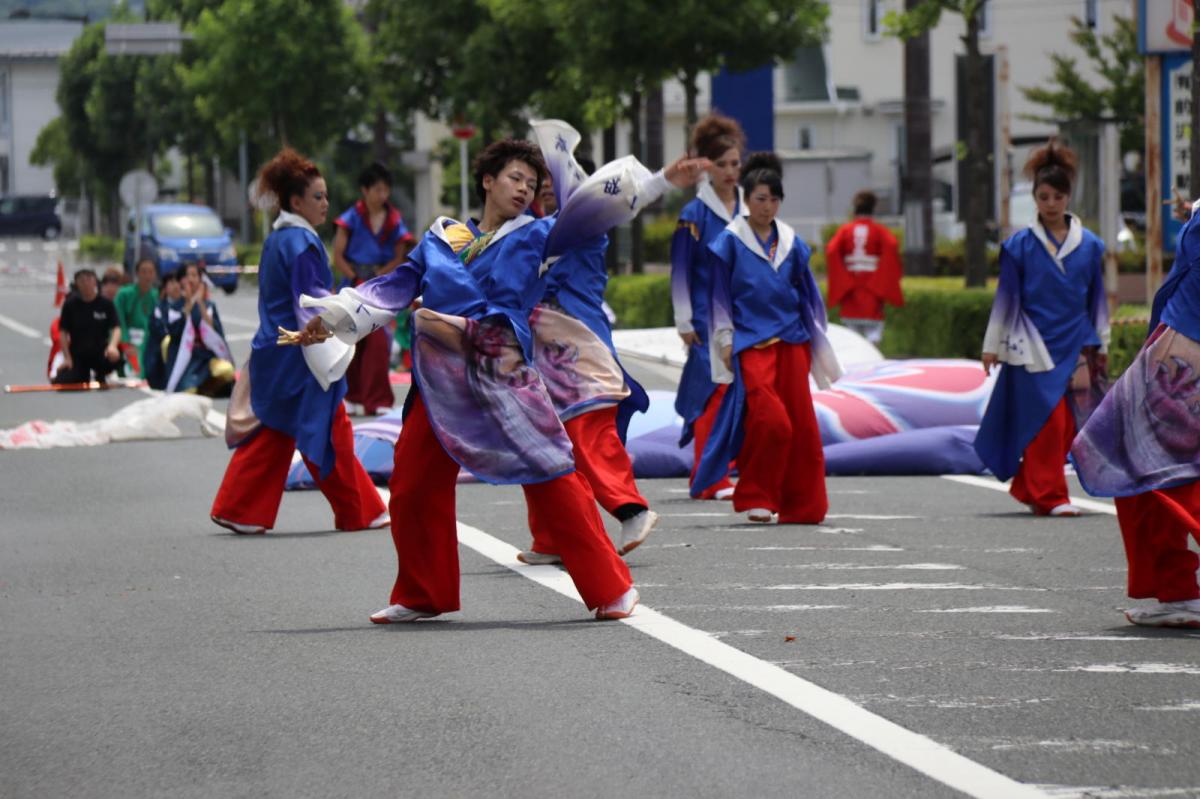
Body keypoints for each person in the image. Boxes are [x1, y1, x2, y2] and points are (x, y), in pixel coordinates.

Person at [296, 132, 708, 624]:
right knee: (412, 480)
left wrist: (661, 180)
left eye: (532, 184)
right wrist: (333, 319)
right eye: (515, 178)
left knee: (553, 474)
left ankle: (610, 588)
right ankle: (424, 592)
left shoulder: (539, 235)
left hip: (501, 367)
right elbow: (395, 287)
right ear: (487, 180)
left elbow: (597, 208)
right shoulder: (442, 236)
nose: (524, 190)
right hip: (444, 374)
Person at [514, 122, 688, 565]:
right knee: (539, 442)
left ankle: (632, 508)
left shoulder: (587, 223)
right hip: (540, 355)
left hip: (581, 347)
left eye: (554, 179)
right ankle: (553, 537)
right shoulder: (531, 230)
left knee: (589, 433)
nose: (546, 189)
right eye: (541, 182)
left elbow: (619, 200)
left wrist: (660, 180)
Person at [209, 148, 388, 536]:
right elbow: (312, 304)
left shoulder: (279, 240)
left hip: (276, 349)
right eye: (318, 197)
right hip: (303, 351)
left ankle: (239, 507)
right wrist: (348, 321)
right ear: (296, 201)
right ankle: (361, 509)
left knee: (277, 429)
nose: (325, 204)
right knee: (327, 427)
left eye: (325, 196)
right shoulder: (302, 243)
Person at [1071, 199, 1200, 629]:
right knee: (1148, 472)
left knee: (1149, 467)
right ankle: (1177, 589)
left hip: (1181, 354)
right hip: (1176, 347)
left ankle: (1178, 589)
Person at [692, 153, 841, 523]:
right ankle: (756, 494)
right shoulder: (729, 242)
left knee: (802, 427)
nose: (768, 206)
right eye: (761, 198)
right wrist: (724, 339)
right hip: (750, 343)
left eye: (774, 199)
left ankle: (803, 506)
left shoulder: (792, 242)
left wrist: (819, 344)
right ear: (746, 199)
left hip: (793, 341)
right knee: (772, 422)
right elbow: (719, 297)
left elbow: (809, 297)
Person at [974, 140, 1109, 517]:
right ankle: (1052, 496)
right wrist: (992, 347)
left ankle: (1031, 486)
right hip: (1030, 343)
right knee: (1046, 423)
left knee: (1068, 426)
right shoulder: (1019, 246)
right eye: (1044, 196)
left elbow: (1097, 299)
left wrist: (1103, 341)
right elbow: (1006, 299)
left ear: (1068, 198)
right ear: (1034, 198)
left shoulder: (1091, 246)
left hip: (1077, 342)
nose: (1051, 203)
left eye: (1058, 196)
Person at [671, 113, 747, 500]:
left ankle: (729, 471)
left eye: (735, 163)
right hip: (704, 315)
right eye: (722, 164)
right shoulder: (694, 215)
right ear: (706, 167)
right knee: (710, 393)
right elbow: (681, 271)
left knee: (739, 393)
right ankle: (708, 476)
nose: (731, 171)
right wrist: (684, 320)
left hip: (746, 315)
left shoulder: (750, 211)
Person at [333, 162, 416, 415]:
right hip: (354, 283)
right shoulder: (351, 218)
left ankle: (378, 400)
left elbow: (399, 255)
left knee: (379, 342)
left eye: (386, 190)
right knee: (349, 340)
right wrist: (355, 279)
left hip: (379, 285)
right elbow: (338, 255)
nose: (383, 195)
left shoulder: (393, 218)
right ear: (365, 190)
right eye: (378, 189)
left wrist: (381, 276)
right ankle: (351, 397)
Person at [824, 190, 904, 345]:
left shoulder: (845, 230)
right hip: (872, 288)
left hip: (850, 289)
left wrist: (843, 280)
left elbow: (832, 250)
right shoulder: (879, 231)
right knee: (873, 335)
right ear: (872, 209)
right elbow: (892, 245)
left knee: (852, 338)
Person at [146, 263, 236, 396]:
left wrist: (199, 302)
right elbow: (175, 333)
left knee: (226, 370)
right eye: (187, 276)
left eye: (195, 275)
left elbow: (213, 331)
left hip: (205, 356)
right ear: (181, 280)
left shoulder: (208, 305)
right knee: (188, 391)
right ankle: (201, 387)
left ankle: (206, 388)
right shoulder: (175, 306)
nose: (191, 279)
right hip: (186, 358)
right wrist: (188, 305)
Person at [52, 268, 122, 385]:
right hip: (78, 354)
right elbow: (63, 332)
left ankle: (102, 374)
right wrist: (67, 357)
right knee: (64, 380)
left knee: (115, 357)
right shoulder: (70, 305)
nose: (86, 283)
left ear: (95, 281)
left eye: (89, 279)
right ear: (77, 284)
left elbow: (116, 327)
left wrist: (113, 346)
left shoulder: (106, 304)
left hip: (101, 352)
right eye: (82, 280)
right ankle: (83, 374)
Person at [114, 257, 159, 377]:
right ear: (137, 273)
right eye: (143, 272)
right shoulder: (124, 294)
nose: (147, 276)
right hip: (128, 336)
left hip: (148, 338)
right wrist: (125, 342)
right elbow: (119, 321)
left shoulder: (157, 295)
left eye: (150, 272)